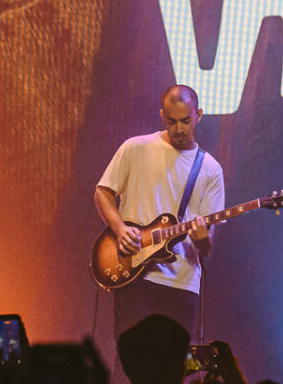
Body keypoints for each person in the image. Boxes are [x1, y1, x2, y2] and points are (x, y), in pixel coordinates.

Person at [96, 83, 224, 345]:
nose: (179, 129)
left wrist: (202, 239)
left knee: (172, 364)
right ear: (162, 115)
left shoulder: (210, 169)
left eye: (186, 121)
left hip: (181, 284)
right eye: (171, 121)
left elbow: (207, 246)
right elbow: (103, 192)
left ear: (199, 115)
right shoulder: (135, 148)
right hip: (134, 274)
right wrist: (120, 228)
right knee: (130, 358)